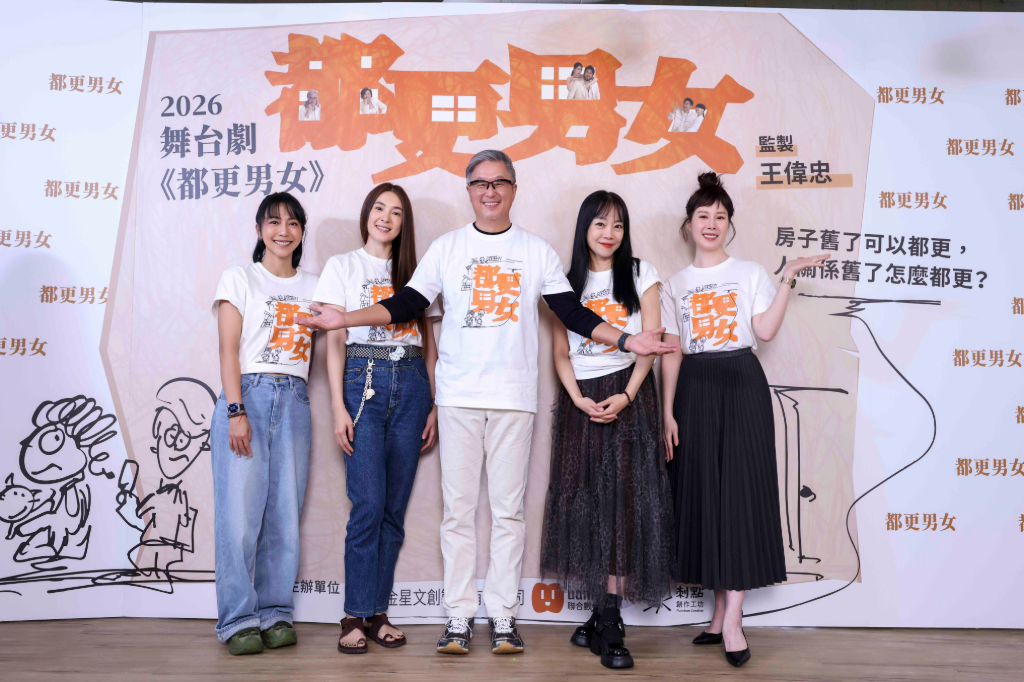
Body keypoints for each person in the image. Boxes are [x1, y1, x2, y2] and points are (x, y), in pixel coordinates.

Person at [297, 150, 676, 658]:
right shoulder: (447, 248)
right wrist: (343, 319)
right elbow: (408, 304)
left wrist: (627, 341)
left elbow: (571, 312)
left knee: (508, 514)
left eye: (500, 182)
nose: (490, 191)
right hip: (458, 397)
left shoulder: (536, 251)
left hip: (514, 400)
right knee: (457, 514)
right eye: (481, 183)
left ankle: (502, 617)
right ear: (469, 190)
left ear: (514, 189)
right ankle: (458, 617)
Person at [659, 173, 828, 668]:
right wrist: (666, 411)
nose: (711, 224)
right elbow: (673, 351)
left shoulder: (750, 272)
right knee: (704, 495)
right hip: (694, 386)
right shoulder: (674, 284)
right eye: (703, 216)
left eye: (720, 217)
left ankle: (733, 619)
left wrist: (787, 278)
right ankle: (717, 615)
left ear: (729, 225)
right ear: (688, 225)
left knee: (739, 494)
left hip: (741, 381)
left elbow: (765, 331)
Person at [539, 191, 674, 670]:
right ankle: (599, 614)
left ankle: (610, 621)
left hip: (628, 394)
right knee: (587, 503)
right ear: (584, 228)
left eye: (617, 225)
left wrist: (629, 395)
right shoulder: (563, 282)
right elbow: (560, 351)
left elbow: (651, 344)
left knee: (624, 505)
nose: (608, 234)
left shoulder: (640, 273)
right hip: (580, 399)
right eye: (599, 224)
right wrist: (577, 397)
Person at [313, 183, 440, 654]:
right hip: (361, 379)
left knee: (393, 511)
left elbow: (430, 344)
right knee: (367, 504)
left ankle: (378, 613)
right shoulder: (342, 266)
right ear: (367, 213)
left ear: (405, 223)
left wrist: (433, 403)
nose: (386, 217)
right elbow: (334, 340)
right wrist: (337, 406)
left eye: (397, 212)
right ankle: (354, 613)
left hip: (412, 384)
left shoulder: (418, 273)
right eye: (379, 208)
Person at [210, 192, 319, 656]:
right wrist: (236, 411)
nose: (283, 231)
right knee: (239, 518)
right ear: (259, 230)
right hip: (248, 396)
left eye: (293, 223)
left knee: (284, 518)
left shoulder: (316, 285)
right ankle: (238, 619)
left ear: (301, 232)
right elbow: (228, 349)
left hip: (295, 398)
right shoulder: (240, 277)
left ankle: (275, 614)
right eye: (273, 222)